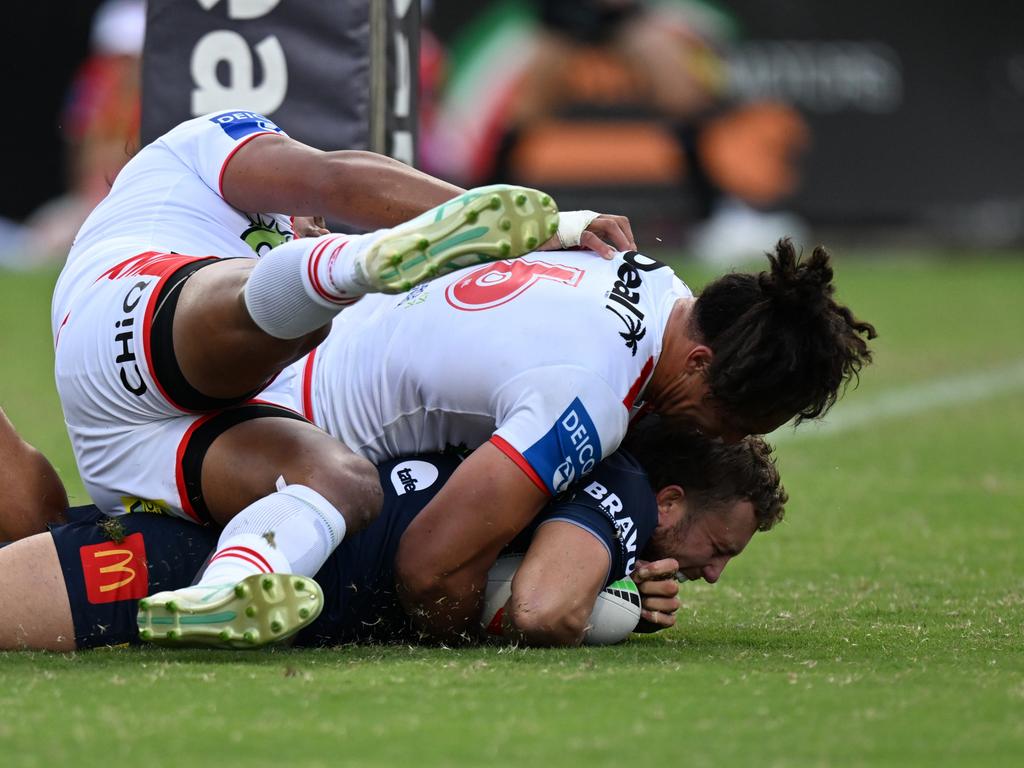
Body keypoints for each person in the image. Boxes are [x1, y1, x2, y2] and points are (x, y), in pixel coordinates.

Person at [50, 108, 633, 648]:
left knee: (342, 481)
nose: (313, 216)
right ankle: (355, 262)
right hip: (124, 320)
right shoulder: (189, 152)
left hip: (135, 447)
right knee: (277, 312)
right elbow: (334, 179)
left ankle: (222, 591)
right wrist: (547, 228)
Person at [239, 236, 874, 643]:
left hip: (292, 347)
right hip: (273, 442)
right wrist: (488, 624)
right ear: (703, 363)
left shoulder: (649, 277)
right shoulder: (591, 395)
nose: (726, 439)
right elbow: (429, 570)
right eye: (733, 420)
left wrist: (611, 560)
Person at [0, 422, 786, 651]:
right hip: (254, 555)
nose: (712, 575)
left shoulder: (573, 438)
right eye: (720, 549)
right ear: (672, 502)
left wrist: (617, 578)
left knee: (41, 523)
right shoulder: (624, 485)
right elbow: (546, 607)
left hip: (254, 495)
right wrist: (603, 608)